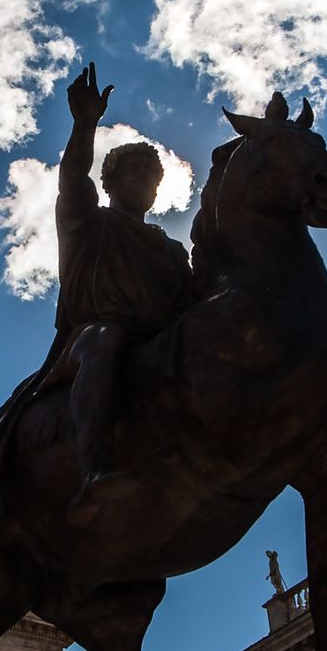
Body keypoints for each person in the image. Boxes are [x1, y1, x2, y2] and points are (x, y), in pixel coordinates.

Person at [56, 63, 194, 525]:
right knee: (104, 340)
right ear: (110, 182)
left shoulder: (172, 251)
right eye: (133, 172)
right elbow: (73, 179)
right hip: (87, 341)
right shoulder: (88, 222)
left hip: (155, 341)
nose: (145, 182)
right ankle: (95, 469)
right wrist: (85, 124)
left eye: (152, 177)